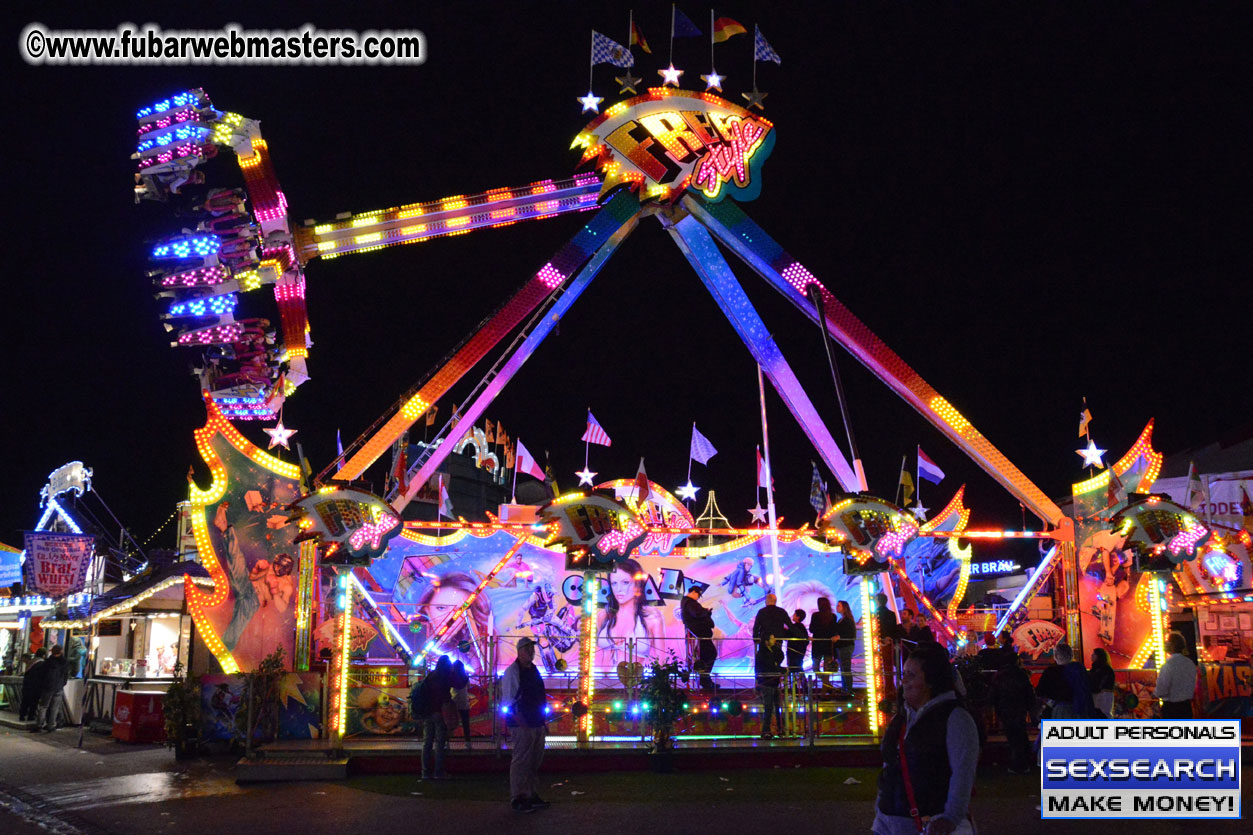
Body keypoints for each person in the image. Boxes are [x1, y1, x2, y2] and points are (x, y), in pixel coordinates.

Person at [873, 642, 979, 835]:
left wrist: (950, 817)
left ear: (931, 680)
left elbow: (963, 773)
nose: (903, 681)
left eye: (911, 675)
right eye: (903, 675)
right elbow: (890, 765)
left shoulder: (955, 719)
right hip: (888, 820)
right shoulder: (901, 719)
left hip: (931, 822)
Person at [502, 637, 550, 813]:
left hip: (535, 722)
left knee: (534, 761)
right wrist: (521, 722)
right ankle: (518, 797)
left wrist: (542, 722)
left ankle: (530, 793)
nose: (531, 651)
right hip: (522, 723)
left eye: (532, 648)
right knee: (522, 761)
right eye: (527, 649)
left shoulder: (533, 670)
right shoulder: (513, 672)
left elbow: (539, 696)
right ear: (519, 651)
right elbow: (509, 701)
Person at [596, 559, 664, 665]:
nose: (618, 589)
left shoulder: (651, 617)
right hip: (604, 678)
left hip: (635, 679)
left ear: (637, 584)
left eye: (625, 582)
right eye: (614, 583)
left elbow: (662, 660)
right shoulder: (603, 616)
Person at [991, 651, 1037, 774]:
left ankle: (1019, 763)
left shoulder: (1000, 675)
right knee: (1020, 732)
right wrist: (1030, 706)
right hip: (1019, 707)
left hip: (1005, 708)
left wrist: (996, 706)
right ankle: (1024, 760)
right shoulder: (1021, 674)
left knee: (1013, 736)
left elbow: (994, 694)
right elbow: (1029, 692)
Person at [411, 655, 452, 780]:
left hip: (427, 712)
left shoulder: (431, 676)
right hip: (438, 712)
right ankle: (438, 772)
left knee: (427, 742)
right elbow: (445, 697)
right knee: (439, 743)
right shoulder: (444, 677)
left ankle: (425, 772)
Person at [1034, 642, 1096, 719]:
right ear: (1071, 655)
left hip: (1061, 709)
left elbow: (1040, 691)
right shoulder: (1080, 670)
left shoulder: (1051, 672)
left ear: (1056, 656)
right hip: (1082, 709)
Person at [680, 586, 717, 691]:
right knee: (710, 654)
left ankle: (704, 679)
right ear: (693, 592)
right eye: (698, 594)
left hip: (698, 635)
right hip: (699, 635)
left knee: (704, 657)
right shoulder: (690, 603)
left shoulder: (687, 603)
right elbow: (697, 614)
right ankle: (704, 679)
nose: (698, 597)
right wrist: (706, 613)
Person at [1154, 631, 1198, 719]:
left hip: (1171, 708)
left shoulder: (1168, 665)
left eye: (1167, 642)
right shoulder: (1190, 663)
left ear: (1172, 645)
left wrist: (1154, 693)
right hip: (1186, 707)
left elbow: (1161, 690)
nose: (1165, 644)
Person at [35, 645, 69, 733]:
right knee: (55, 707)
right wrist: (62, 683)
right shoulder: (64, 662)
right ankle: (51, 725)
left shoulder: (48, 662)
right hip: (58, 687)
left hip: (48, 687)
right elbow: (65, 675)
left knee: (43, 706)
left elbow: (41, 675)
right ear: (61, 651)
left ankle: (39, 725)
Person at [755, 636, 783, 739]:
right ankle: (766, 730)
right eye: (771, 638)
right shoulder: (762, 653)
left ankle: (780, 729)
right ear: (766, 641)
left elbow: (780, 657)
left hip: (774, 681)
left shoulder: (774, 651)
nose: (774, 640)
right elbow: (768, 666)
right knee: (769, 707)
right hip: (767, 682)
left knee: (777, 707)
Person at [752, 593, 792, 666]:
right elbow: (790, 626)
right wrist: (801, 636)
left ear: (767, 600)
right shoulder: (781, 611)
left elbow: (756, 627)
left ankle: (766, 676)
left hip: (764, 640)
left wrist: (755, 638)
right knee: (776, 659)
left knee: (765, 661)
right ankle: (776, 675)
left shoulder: (761, 612)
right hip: (778, 640)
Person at [809, 597, 837, 688]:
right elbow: (833, 630)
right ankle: (827, 687)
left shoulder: (815, 616)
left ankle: (826, 687)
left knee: (815, 668)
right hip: (828, 645)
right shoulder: (833, 616)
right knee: (827, 669)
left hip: (817, 645)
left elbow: (811, 629)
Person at [834, 600, 857, 695]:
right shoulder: (841, 619)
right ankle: (845, 688)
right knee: (843, 668)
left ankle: (848, 689)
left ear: (844, 608)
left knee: (846, 668)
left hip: (846, 646)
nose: (837, 607)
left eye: (839, 606)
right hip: (842, 646)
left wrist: (840, 637)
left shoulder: (847, 620)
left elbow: (851, 634)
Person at [19, 648, 47, 723]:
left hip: (27, 684)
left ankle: (22, 715)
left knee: (25, 701)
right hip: (36, 685)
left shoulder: (31, 662)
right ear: (43, 655)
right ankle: (31, 716)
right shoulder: (42, 663)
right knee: (34, 702)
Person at [450, 659, 472, 750]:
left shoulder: (451, 677)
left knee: (449, 722)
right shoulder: (465, 677)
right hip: (464, 702)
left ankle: (447, 741)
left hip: (453, 701)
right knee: (465, 723)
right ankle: (467, 742)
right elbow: (469, 687)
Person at [1088, 648, 1116, 718]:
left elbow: (1096, 681)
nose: (1092, 656)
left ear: (1098, 656)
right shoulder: (1106, 668)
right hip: (1103, 694)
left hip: (1101, 694)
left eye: (1094, 654)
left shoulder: (1100, 669)